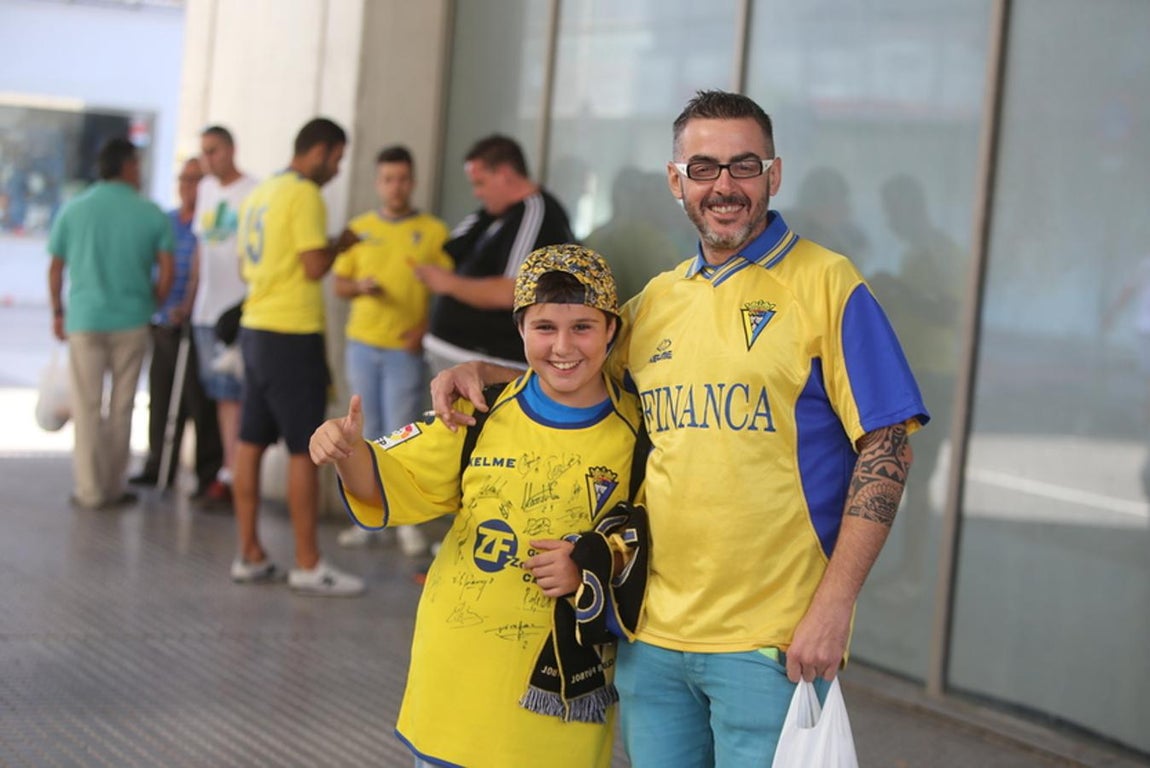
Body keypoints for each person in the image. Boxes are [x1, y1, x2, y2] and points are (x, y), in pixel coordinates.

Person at [430, 90, 930, 766]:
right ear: (677, 182)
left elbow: (887, 445)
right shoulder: (658, 302)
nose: (724, 186)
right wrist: (486, 370)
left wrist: (835, 606)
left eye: (743, 166)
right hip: (652, 639)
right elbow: (574, 362)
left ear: (773, 175)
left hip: (769, 644)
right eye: (704, 168)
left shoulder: (827, 284)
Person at [310, 244, 645, 768]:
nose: (563, 346)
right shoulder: (478, 412)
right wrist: (345, 451)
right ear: (520, 330)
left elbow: (648, 543)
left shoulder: (639, 435)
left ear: (611, 331)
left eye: (582, 327)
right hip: (456, 687)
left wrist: (588, 567)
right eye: (544, 328)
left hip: (557, 707)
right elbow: (386, 486)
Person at [231, 117, 363, 596]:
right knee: (304, 450)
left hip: (256, 328)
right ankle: (308, 562)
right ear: (321, 150)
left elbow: (246, 265)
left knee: (249, 442)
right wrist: (340, 244)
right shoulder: (305, 194)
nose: (337, 168)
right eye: (338, 157)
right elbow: (312, 266)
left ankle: (249, 553)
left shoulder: (261, 193)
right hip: (292, 334)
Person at [332, 145, 452, 554]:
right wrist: (359, 287)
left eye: (402, 179)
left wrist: (425, 327)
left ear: (413, 182)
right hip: (363, 344)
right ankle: (369, 520)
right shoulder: (359, 228)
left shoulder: (433, 232)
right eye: (388, 179)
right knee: (365, 430)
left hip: (404, 347)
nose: (395, 187)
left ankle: (405, 520)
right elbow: (339, 284)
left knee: (402, 429)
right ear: (377, 183)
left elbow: (446, 291)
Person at [48, 137, 174, 510]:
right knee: (122, 407)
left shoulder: (75, 209)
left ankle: (89, 491)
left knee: (86, 407)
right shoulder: (150, 212)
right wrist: (153, 301)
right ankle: (114, 486)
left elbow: (56, 267)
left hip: (85, 321)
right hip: (132, 321)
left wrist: (58, 311)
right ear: (128, 166)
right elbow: (168, 269)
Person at [414, 134, 575, 374]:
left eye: (480, 183)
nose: (477, 193)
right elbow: (452, 251)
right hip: (459, 357)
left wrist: (449, 284)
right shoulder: (494, 214)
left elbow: (511, 291)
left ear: (505, 175)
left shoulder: (535, 213)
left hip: (492, 363)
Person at [130, 158, 223, 496]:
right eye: (185, 179)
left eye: (197, 179)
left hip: (197, 324)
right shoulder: (166, 222)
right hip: (164, 322)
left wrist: (187, 306)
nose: (190, 186)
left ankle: (206, 475)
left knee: (200, 403)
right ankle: (159, 466)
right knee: (161, 397)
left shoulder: (210, 224)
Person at [189, 125, 261, 509]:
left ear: (231, 149)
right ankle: (225, 472)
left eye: (214, 151)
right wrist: (190, 298)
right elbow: (201, 248)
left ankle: (237, 476)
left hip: (239, 312)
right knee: (219, 396)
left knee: (241, 395)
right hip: (206, 310)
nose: (208, 159)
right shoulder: (205, 190)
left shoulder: (253, 191)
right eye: (204, 152)